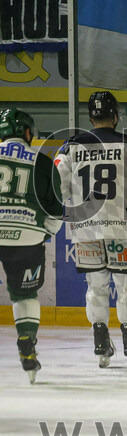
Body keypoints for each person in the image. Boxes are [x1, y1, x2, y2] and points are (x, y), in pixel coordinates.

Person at [55, 91, 127, 369]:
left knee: (95, 288)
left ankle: (101, 343)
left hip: (84, 230)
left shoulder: (69, 147)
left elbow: (59, 188)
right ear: (115, 116)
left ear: (91, 117)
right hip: (122, 228)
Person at [0, 108, 62, 384]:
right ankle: (27, 342)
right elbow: (57, 212)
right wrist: (43, 231)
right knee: (25, 297)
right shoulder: (42, 161)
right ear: (28, 133)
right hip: (27, 237)